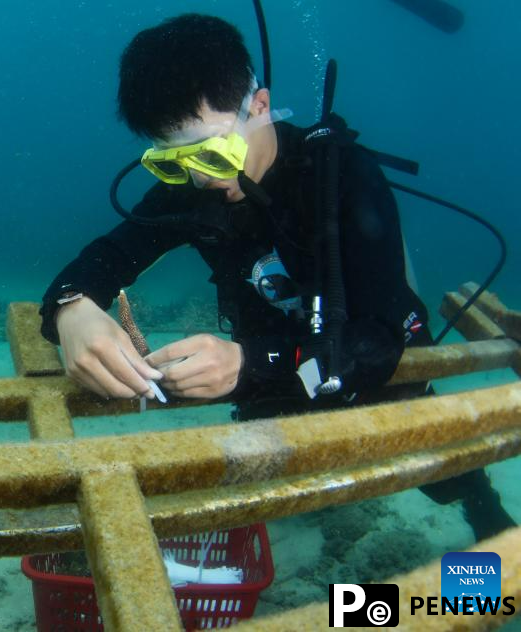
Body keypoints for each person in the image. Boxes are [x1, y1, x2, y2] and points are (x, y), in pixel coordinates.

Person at [40, 14, 513, 541]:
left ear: (259, 107)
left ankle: (479, 503)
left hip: (363, 366)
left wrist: (246, 362)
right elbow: (106, 256)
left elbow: (382, 336)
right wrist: (71, 308)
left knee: (439, 466)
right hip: (272, 377)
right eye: (171, 164)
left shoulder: (342, 176)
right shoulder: (193, 189)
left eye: (213, 153)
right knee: (269, 471)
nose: (200, 178)